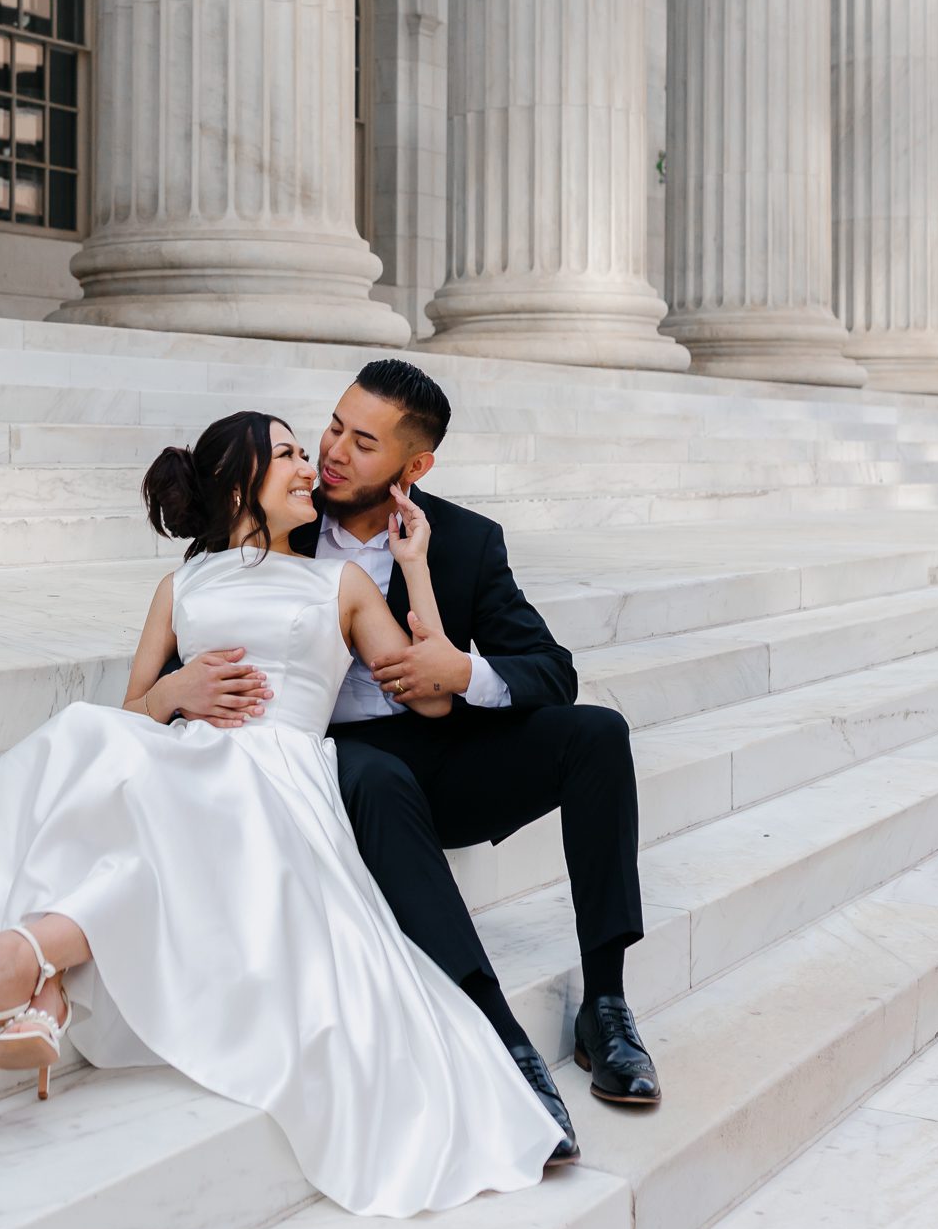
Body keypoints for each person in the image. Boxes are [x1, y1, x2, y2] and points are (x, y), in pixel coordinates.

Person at [0, 411, 565, 1217]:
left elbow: (426, 700)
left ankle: (26, 966)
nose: (309, 467)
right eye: (286, 454)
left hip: (281, 776)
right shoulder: (181, 586)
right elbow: (131, 712)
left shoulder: (340, 584)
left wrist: (415, 567)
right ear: (236, 483)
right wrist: (173, 693)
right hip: (191, 760)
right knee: (96, 743)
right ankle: (34, 980)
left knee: (175, 800)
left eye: (302, 452)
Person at [170, 361, 660, 1161]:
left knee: (597, 734)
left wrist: (462, 672)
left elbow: (550, 669)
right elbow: (203, 619)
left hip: (447, 753)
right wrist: (178, 692)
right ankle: (497, 1034)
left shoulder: (463, 540)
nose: (332, 453)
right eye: (333, 427)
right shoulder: (283, 514)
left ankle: (604, 1005)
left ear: (415, 464)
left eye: (363, 443)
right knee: (375, 772)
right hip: (335, 764)